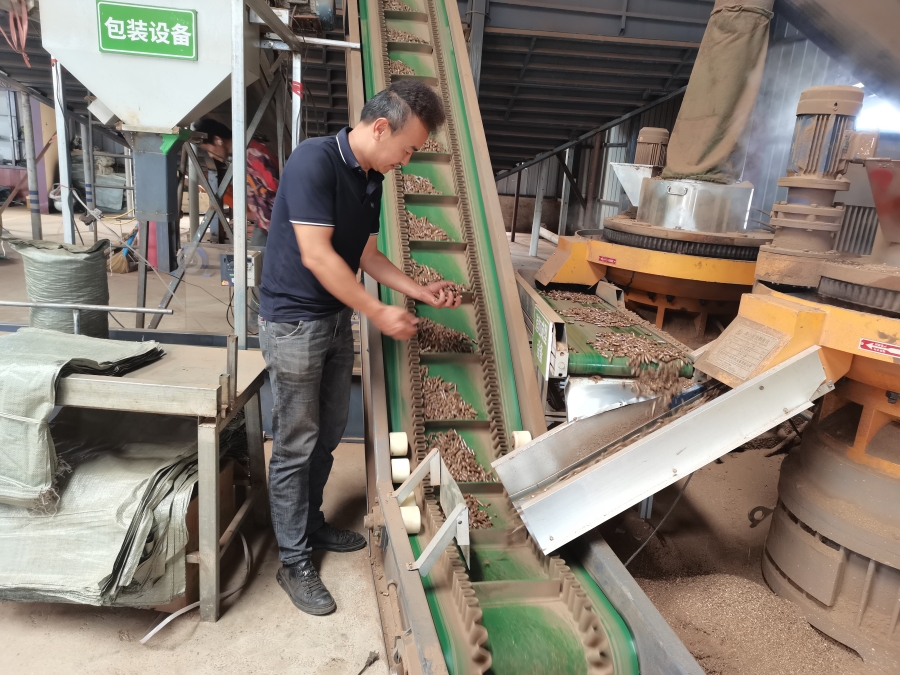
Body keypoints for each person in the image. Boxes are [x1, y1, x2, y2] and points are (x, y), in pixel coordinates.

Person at [257, 80, 456, 616]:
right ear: (381, 128)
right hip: (294, 323)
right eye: (407, 149)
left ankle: (311, 525)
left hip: (332, 318)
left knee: (325, 435)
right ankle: (292, 560)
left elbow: (365, 254)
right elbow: (318, 256)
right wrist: (377, 311)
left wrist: (416, 290)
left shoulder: (373, 179)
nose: (407, 161)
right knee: (295, 444)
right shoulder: (313, 162)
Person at [193, 118, 279, 247]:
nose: (210, 155)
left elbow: (277, 190)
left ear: (218, 140)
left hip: (275, 225)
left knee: (259, 258)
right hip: (264, 223)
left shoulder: (253, 155)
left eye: (208, 148)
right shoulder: (243, 154)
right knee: (255, 257)